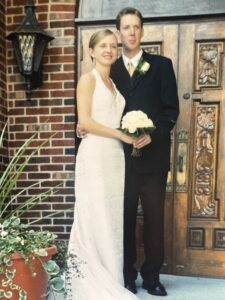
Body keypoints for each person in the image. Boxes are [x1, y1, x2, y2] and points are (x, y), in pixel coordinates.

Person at [109, 7, 179, 297]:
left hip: (154, 159)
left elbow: (170, 110)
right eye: (126, 27)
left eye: (136, 27)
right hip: (119, 159)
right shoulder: (109, 68)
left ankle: (152, 276)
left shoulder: (161, 65)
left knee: (153, 219)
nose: (132, 32)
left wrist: (153, 133)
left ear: (142, 30)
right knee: (123, 219)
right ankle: (127, 275)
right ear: (119, 32)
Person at [66, 29, 141, 300]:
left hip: (114, 158)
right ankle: (90, 280)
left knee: (111, 217)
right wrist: (122, 134)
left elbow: (101, 118)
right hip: (96, 155)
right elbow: (85, 121)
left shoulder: (115, 85)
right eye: (103, 46)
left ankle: (111, 277)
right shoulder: (88, 80)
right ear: (91, 51)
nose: (108, 50)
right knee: (94, 213)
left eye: (113, 45)